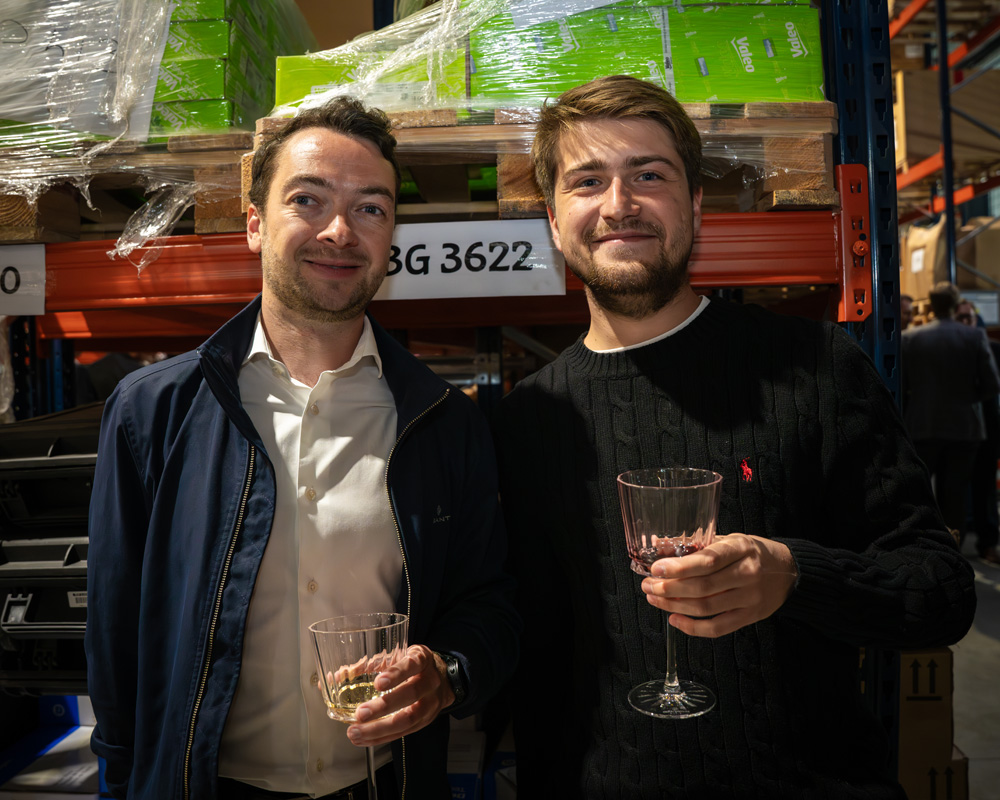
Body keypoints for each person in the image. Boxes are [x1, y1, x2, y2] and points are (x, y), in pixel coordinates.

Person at [492, 75, 977, 799]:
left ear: (694, 206)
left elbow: (941, 591)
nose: (619, 204)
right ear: (554, 223)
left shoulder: (815, 367)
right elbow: (526, 658)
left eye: (648, 175)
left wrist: (796, 574)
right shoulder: (525, 420)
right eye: (587, 181)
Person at [85, 97, 519, 800]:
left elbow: (488, 600)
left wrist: (447, 672)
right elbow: (115, 626)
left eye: (370, 208)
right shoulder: (152, 411)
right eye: (307, 200)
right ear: (254, 224)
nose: (340, 231)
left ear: (391, 235)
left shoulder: (444, 420)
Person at [901, 282, 1000, 537]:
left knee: (920, 492)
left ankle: (922, 543)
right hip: (964, 427)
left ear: (931, 306)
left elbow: (902, 384)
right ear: (956, 306)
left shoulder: (910, 338)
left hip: (923, 425)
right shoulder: (974, 337)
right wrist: (968, 399)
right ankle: (954, 547)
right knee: (955, 495)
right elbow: (992, 384)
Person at [956, 297, 1000, 564]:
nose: (966, 323)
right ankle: (955, 544)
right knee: (955, 489)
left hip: (987, 429)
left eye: (969, 318)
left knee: (985, 488)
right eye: (960, 318)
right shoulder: (948, 349)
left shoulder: (993, 349)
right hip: (957, 429)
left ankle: (988, 542)